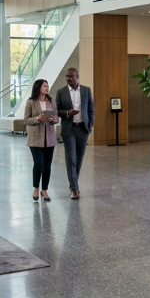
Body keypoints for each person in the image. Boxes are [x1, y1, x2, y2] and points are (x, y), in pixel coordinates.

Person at [55, 67, 95, 200]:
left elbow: (91, 109)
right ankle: (74, 188)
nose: (68, 78)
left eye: (71, 76)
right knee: (70, 158)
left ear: (77, 76)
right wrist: (67, 113)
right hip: (69, 129)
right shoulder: (61, 92)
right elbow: (57, 110)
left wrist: (90, 126)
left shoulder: (86, 90)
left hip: (83, 129)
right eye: (67, 76)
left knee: (78, 158)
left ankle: (74, 184)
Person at [24, 79, 58, 202]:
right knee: (38, 164)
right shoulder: (30, 102)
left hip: (50, 138)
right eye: (45, 86)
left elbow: (57, 118)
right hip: (35, 138)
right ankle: (36, 188)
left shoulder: (51, 101)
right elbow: (26, 120)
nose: (47, 88)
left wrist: (52, 119)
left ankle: (45, 190)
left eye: (47, 86)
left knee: (47, 166)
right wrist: (38, 118)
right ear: (38, 87)